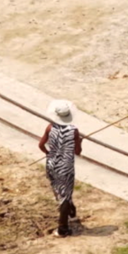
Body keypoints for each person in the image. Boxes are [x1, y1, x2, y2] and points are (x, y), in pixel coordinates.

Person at [38, 99, 83, 236]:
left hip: (52, 163)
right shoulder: (74, 131)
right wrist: (79, 141)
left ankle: (69, 208)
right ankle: (63, 227)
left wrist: (48, 154)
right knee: (64, 195)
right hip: (66, 167)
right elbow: (77, 152)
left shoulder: (50, 127)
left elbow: (41, 145)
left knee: (57, 189)